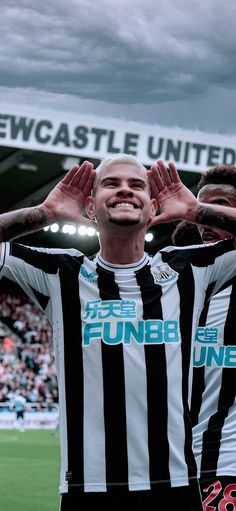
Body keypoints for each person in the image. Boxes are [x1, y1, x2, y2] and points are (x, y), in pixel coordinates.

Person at [1, 156, 236, 510]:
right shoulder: (60, 273)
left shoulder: (188, 269)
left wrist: (195, 209)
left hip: (175, 486)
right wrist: (45, 213)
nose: (125, 189)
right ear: (90, 207)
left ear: (154, 207)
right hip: (89, 488)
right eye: (110, 183)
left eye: (137, 184)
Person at [172, 164, 236, 511]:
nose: (205, 220)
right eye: (200, 210)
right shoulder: (176, 288)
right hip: (171, 472)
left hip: (227, 467)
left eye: (219, 207)